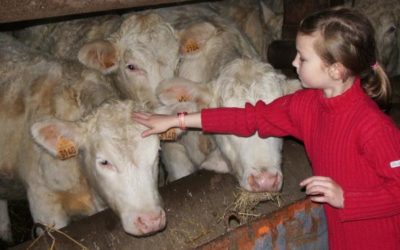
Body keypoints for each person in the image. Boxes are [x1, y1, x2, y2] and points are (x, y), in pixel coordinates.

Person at [132, 7, 400, 250]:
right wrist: (177, 120)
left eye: (303, 59)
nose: (293, 63)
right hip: (341, 234)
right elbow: (248, 118)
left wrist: (346, 199)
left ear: (336, 70)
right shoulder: (306, 105)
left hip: (381, 238)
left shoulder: (374, 127)